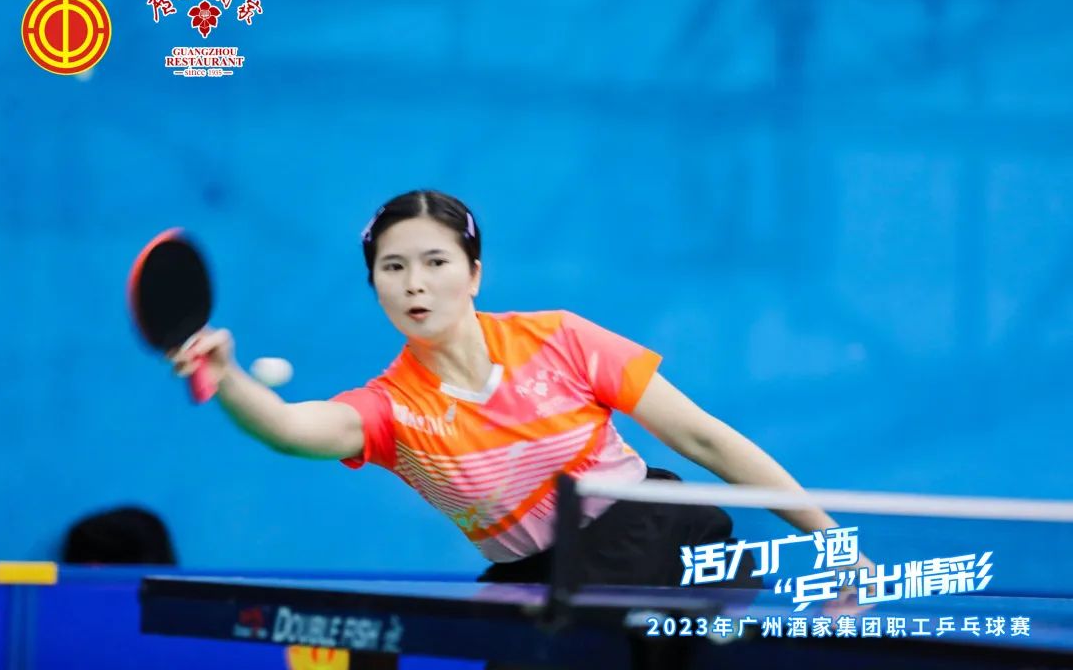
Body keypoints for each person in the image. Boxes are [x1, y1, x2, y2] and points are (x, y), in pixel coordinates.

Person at [168, 189, 867, 657]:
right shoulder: (390, 410)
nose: (415, 283)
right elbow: (289, 429)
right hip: (540, 590)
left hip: (663, 542)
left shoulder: (561, 337)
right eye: (393, 267)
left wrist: (834, 545)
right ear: (375, 285)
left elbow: (705, 438)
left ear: (473, 274)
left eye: (435, 262)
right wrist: (227, 378)